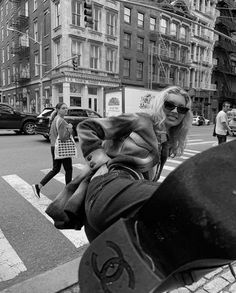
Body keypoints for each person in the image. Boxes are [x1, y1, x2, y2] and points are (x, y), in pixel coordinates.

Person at [76, 85, 193, 240]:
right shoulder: (140, 120)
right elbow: (87, 127)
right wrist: (100, 164)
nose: (175, 111)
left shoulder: (164, 141)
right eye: (169, 105)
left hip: (120, 209)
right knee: (176, 198)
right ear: (160, 104)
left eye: (182, 109)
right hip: (110, 185)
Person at [32, 102, 73, 198]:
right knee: (69, 169)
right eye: (63, 108)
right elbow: (63, 138)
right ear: (58, 110)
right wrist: (70, 129)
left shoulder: (55, 119)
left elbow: (51, 135)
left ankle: (39, 186)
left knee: (56, 169)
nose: (65, 110)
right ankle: (68, 192)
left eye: (66, 108)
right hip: (62, 148)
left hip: (53, 147)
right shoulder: (62, 121)